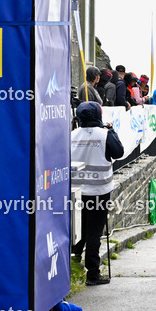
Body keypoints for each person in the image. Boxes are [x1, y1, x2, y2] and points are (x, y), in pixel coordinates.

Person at [70, 101, 125, 285]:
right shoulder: (104, 135)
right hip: (99, 191)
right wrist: (111, 130)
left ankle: (74, 262)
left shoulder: (71, 136)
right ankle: (92, 274)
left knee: (78, 228)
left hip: (76, 191)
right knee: (94, 232)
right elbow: (118, 153)